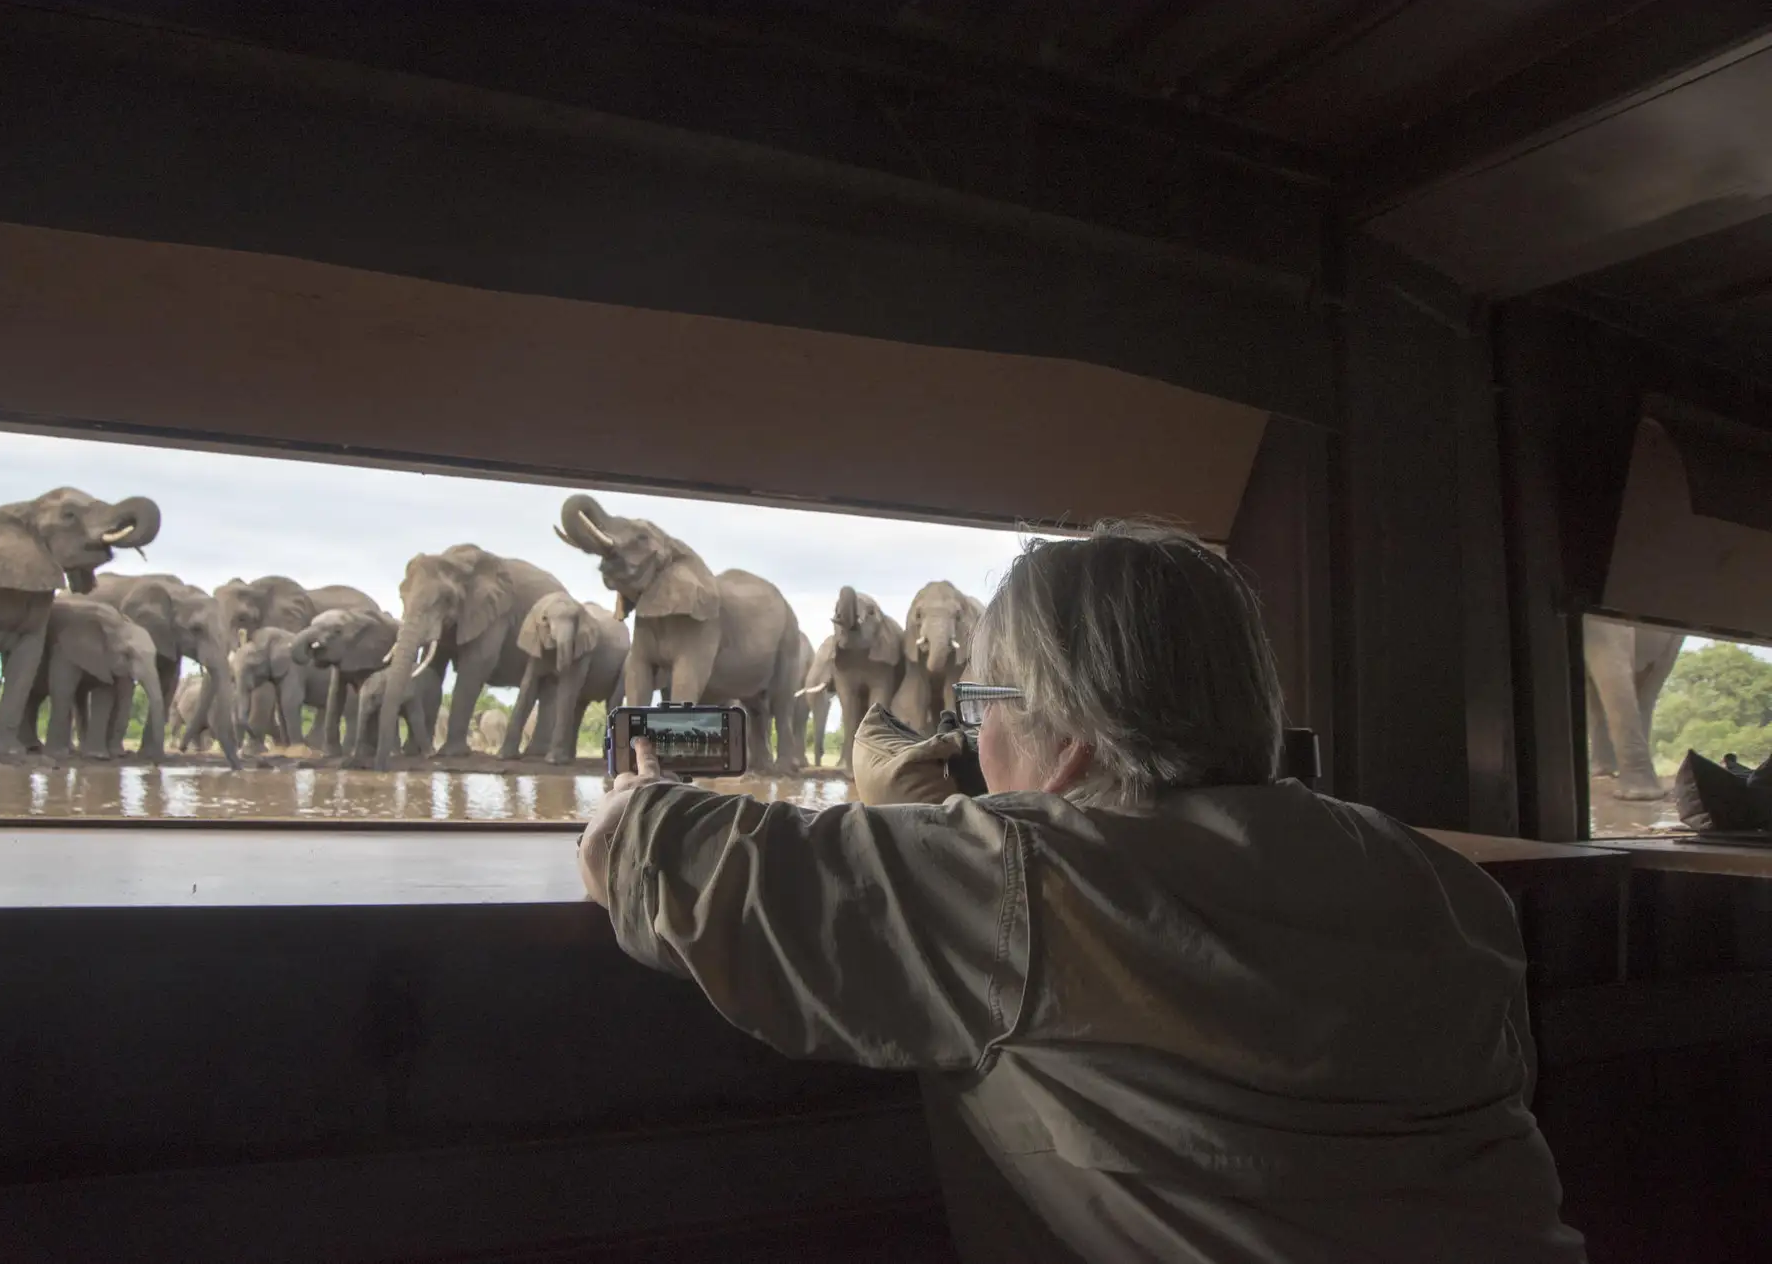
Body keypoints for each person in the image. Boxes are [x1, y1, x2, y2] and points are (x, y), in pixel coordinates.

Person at [577, 522, 1586, 1263]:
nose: (974, 734)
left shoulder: (1020, 873)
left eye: (989, 704)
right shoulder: (1440, 879)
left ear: (1070, 730)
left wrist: (634, 782)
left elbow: (646, 846)